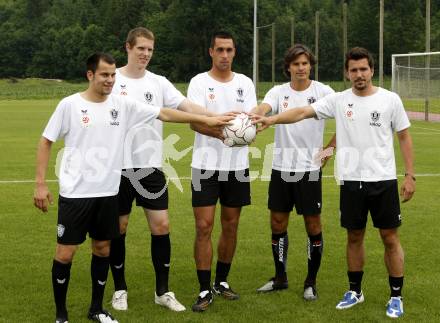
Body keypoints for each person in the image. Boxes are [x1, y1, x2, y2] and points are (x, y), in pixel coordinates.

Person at [33, 52, 232, 323]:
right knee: (65, 253)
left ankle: (96, 309)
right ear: (90, 75)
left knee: (103, 249)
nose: (110, 80)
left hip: (107, 193)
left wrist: (209, 120)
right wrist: (41, 183)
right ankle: (61, 316)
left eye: (113, 75)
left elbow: (163, 113)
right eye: (104, 74)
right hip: (76, 195)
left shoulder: (122, 105)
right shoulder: (69, 105)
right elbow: (46, 141)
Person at [253, 47, 415, 318]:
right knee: (354, 237)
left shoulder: (390, 99)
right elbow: (301, 112)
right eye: (354, 70)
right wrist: (270, 119)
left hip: (383, 180)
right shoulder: (338, 100)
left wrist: (409, 175)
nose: (359, 74)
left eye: (363, 69)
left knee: (389, 237)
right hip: (349, 181)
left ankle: (396, 296)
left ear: (372, 70)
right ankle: (354, 291)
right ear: (347, 73)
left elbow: (404, 137)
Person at [109, 27, 222, 313]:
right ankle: (120, 289)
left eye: (149, 49)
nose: (145, 54)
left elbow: (186, 105)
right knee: (119, 228)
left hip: (151, 169)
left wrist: (216, 116)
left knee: (161, 227)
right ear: (128, 47)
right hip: (118, 169)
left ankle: (163, 291)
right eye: (140, 49)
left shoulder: (158, 82)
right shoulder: (113, 80)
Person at [252, 44, 335, 300]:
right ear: (288, 67)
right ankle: (280, 278)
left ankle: (311, 281)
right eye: (296, 64)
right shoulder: (278, 92)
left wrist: (328, 152)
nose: (301, 68)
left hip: (309, 170)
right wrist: (252, 117)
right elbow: (264, 108)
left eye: (305, 63)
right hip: (281, 169)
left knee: (312, 224)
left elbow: (346, 120)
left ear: (310, 65)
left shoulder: (323, 92)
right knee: (277, 223)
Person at [187, 31, 257, 312]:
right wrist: (221, 134)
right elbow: (194, 122)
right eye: (220, 50)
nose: (225, 55)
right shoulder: (199, 83)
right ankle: (204, 288)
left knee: (230, 225)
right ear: (211, 52)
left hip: (237, 167)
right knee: (204, 226)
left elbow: (249, 122)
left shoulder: (245, 83)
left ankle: (222, 281)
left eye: (229, 50)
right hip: (204, 165)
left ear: (234, 52)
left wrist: (244, 132)